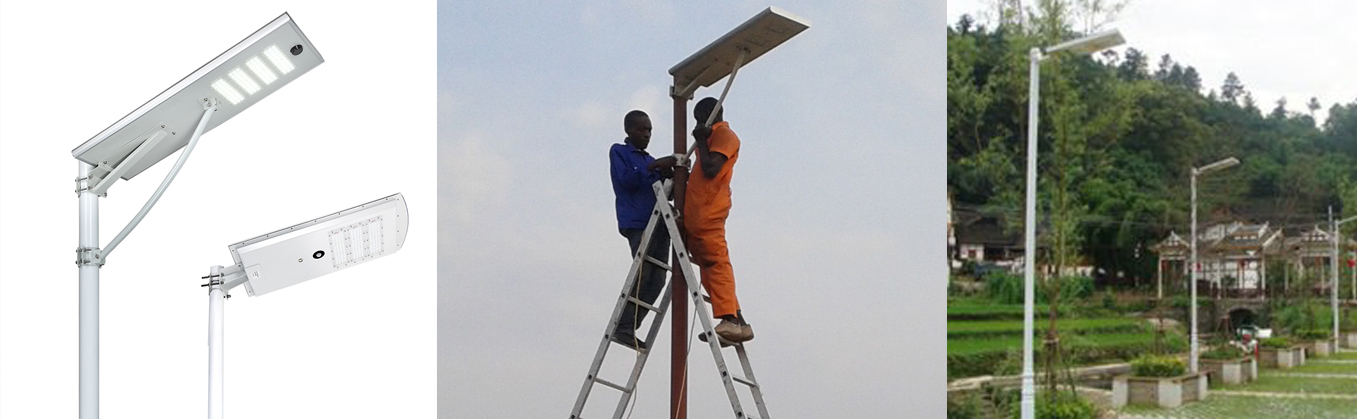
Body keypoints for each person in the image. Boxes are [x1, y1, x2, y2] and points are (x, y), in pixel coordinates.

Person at [684, 97, 753, 343]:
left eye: (700, 118)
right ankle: (737, 319)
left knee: (716, 262)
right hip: (699, 213)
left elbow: (712, 168)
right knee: (709, 268)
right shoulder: (712, 139)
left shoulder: (724, 136)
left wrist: (701, 139)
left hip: (709, 212)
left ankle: (730, 319)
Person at [609, 110, 676, 350]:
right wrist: (656, 167)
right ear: (629, 130)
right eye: (641, 129)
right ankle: (623, 327)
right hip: (638, 221)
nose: (646, 134)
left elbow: (666, 189)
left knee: (658, 279)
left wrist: (672, 174)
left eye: (649, 130)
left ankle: (629, 327)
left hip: (660, 222)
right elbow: (626, 180)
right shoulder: (620, 152)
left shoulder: (649, 160)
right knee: (643, 273)